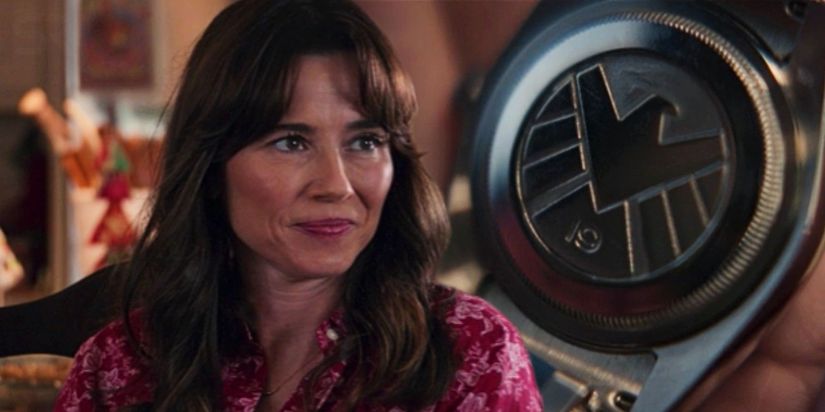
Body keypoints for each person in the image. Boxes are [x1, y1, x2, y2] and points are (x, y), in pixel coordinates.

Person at [54, 0, 542, 411]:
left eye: (366, 142)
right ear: (212, 168)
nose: (337, 185)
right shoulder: (117, 366)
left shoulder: (471, 351)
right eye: (291, 142)